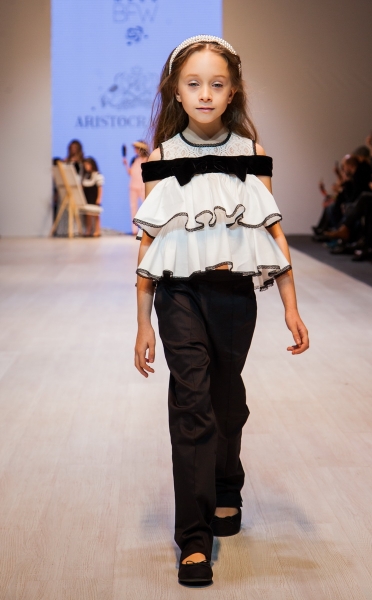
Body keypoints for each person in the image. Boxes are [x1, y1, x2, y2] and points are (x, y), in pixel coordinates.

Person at [133, 35, 309, 586]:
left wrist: (291, 306)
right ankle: (193, 536)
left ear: (233, 91)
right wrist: (142, 323)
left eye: (216, 84)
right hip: (178, 294)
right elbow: (149, 243)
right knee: (192, 404)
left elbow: (271, 229)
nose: (205, 94)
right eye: (194, 84)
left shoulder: (252, 153)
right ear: (176, 92)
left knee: (226, 399)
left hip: (234, 294)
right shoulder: (161, 159)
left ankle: (228, 484)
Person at [123, 141, 149, 235]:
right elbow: (131, 173)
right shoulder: (134, 159)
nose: (135, 150)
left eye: (137, 148)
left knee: (146, 207)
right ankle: (134, 230)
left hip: (143, 186)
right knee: (133, 207)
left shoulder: (147, 159)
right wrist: (126, 164)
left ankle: (146, 228)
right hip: (133, 186)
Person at [81, 157, 104, 237]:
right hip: (87, 198)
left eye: (87, 165)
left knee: (96, 215)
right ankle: (88, 230)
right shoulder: (86, 176)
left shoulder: (97, 175)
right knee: (88, 214)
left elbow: (100, 188)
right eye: (85, 165)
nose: (86, 167)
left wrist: (99, 199)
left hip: (94, 198)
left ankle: (97, 230)